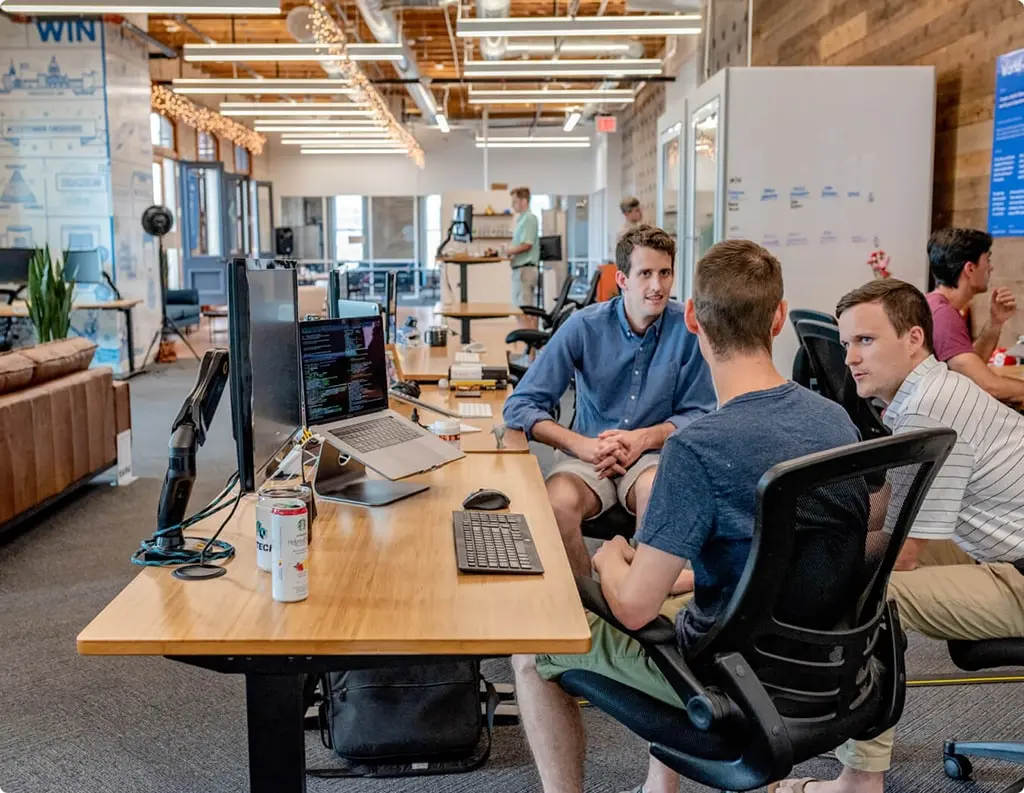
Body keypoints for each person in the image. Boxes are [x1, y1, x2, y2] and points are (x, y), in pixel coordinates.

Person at [512, 240, 868, 793]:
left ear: (695, 319)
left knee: (531, 652)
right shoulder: (836, 422)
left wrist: (613, 556)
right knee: (680, 595)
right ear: (779, 318)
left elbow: (632, 609)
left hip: (728, 680)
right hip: (827, 670)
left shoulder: (697, 450)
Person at [774, 279, 1024, 793]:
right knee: (855, 561)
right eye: (846, 344)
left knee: (871, 595)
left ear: (914, 339)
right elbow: (893, 506)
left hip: (1017, 572)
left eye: (865, 341)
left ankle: (860, 780)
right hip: (1001, 544)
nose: (850, 359)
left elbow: (900, 552)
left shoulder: (926, 407)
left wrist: (788, 565)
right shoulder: (930, 389)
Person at [503, 225, 716, 579]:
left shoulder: (688, 329)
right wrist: (580, 445)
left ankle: (639, 601)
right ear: (622, 279)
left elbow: (702, 413)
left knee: (656, 494)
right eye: (645, 274)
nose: (657, 286)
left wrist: (643, 439)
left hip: (652, 456)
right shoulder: (584, 327)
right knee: (556, 504)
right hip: (588, 452)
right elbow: (520, 404)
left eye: (665, 273)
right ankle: (590, 605)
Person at [925, 228, 1024, 405]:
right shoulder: (943, 316)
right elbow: (989, 386)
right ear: (970, 269)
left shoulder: (937, 305)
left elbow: (969, 370)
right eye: (987, 259)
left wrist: (995, 322)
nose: (990, 267)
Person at [507, 186, 541, 329]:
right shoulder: (522, 220)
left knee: (524, 311)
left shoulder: (529, 219)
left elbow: (527, 244)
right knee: (520, 310)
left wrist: (510, 251)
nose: (512, 205)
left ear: (524, 201)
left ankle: (530, 348)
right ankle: (529, 348)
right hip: (520, 270)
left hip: (525, 270)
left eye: (514, 202)